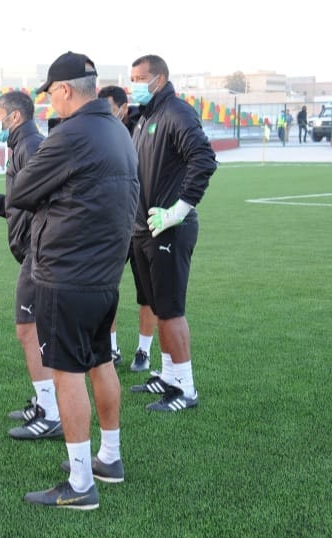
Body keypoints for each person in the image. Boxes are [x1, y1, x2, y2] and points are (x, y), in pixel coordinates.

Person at [8, 51, 139, 510]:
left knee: (66, 373)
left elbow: (22, 192)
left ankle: (81, 484)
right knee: (100, 360)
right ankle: (110, 457)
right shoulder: (118, 131)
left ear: (64, 90)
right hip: (104, 274)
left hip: (66, 273)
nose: (51, 104)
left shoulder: (72, 135)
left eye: (52, 94)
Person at [0, 91, 61, 441]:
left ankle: (50, 413)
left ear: (15, 118)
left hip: (41, 252)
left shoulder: (31, 146)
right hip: (35, 249)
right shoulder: (21, 146)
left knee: (29, 329)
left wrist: (40, 246)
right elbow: (25, 201)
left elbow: (48, 202)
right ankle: (45, 402)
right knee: (33, 328)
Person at [128, 54, 218, 412]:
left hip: (169, 227)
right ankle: (168, 376)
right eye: (131, 77)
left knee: (171, 310)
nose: (133, 84)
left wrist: (179, 210)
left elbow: (204, 158)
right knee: (157, 307)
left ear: (160, 79)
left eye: (140, 78)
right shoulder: (145, 116)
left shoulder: (176, 112)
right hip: (144, 228)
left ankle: (186, 389)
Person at [98, 85, 159, 371]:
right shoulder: (98, 132)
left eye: (109, 108)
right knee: (106, 287)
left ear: (122, 108)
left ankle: (143, 352)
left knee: (146, 292)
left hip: (144, 223)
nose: (105, 114)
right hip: (112, 224)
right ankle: (110, 348)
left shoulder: (145, 124)